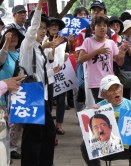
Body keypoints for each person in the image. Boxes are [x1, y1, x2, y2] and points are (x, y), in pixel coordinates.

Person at [80, 75, 131, 166]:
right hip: (107, 149)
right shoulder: (99, 107)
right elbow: (89, 135)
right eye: (111, 90)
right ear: (103, 94)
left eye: (118, 88)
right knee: (84, 145)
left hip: (129, 148)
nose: (116, 92)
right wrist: (92, 115)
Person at [18, 0, 61, 165]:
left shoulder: (38, 48)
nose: (43, 31)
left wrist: (52, 71)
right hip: (30, 95)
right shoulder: (27, 45)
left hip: (39, 94)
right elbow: (33, 27)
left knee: (47, 132)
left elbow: (39, 74)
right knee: (33, 135)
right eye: (41, 28)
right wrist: (38, 7)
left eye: (45, 28)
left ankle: (44, 162)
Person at [78, 16, 125, 103]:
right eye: (99, 25)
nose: (102, 28)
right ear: (93, 28)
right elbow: (80, 59)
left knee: (113, 105)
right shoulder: (88, 41)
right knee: (102, 106)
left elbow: (119, 63)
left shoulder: (111, 43)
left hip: (110, 80)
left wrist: (122, 54)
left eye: (104, 25)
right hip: (95, 82)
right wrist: (97, 51)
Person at [0, 26, 25, 160]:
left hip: (18, 93)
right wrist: (6, 42)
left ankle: (13, 147)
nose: (13, 37)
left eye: (16, 35)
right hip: (3, 95)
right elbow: (1, 58)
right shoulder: (3, 52)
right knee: (5, 123)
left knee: (17, 122)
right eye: (10, 35)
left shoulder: (21, 54)